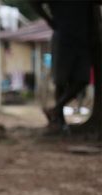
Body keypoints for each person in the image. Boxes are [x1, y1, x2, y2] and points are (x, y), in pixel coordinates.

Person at [31, 1, 98, 133]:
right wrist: (50, 21)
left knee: (82, 80)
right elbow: (34, 3)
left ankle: (55, 110)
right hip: (63, 38)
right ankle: (59, 121)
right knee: (60, 81)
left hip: (82, 40)